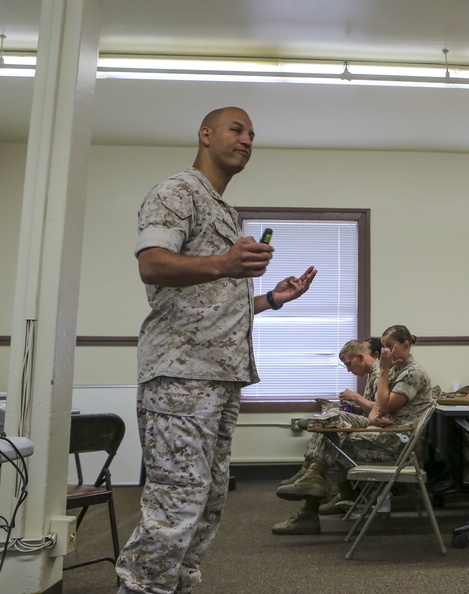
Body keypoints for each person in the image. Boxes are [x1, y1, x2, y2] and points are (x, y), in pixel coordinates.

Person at [118, 107, 317, 593]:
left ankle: (176, 587)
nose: (247, 139)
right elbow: (153, 264)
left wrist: (271, 300)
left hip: (220, 376)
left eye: (252, 133)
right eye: (237, 128)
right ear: (205, 135)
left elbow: (212, 301)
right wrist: (224, 262)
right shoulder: (176, 191)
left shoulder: (226, 212)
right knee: (176, 502)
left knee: (206, 504)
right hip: (182, 377)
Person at [272, 326, 434, 533]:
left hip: (396, 441)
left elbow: (383, 406)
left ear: (406, 346)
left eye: (390, 346)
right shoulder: (396, 368)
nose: (384, 352)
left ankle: (310, 494)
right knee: (334, 426)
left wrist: (383, 375)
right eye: (383, 346)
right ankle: (311, 477)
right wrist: (376, 412)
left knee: (333, 441)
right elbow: (379, 407)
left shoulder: (412, 372)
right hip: (385, 431)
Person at [270, 337, 381, 534]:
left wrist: (355, 398)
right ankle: (313, 476)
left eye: (349, 364)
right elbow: (374, 410)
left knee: (330, 436)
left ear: (360, 356)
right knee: (330, 435)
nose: (348, 369)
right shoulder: (374, 373)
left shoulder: (381, 373)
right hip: (376, 432)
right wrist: (356, 405)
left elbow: (380, 411)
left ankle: (310, 482)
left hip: (385, 441)